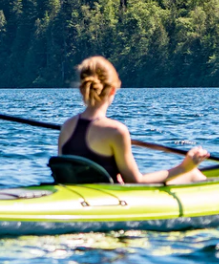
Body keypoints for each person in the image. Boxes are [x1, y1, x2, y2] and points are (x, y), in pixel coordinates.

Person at [58, 56, 209, 184]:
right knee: (192, 174)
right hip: (109, 200)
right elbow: (135, 182)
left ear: (82, 89)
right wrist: (185, 166)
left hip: (82, 195)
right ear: (112, 90)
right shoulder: (116, 131)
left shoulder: (67, 127)